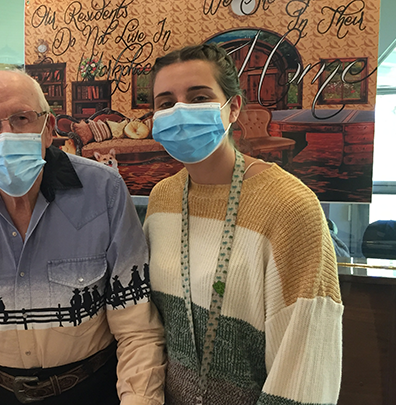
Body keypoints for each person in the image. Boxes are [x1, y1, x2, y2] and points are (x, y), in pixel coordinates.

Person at [0, 70, 166, 405]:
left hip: (91, 390)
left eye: (22, 118)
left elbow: (136, 327)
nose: (7, 133)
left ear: (48, 129)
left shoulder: (105, 192)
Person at [143, 44, 343, 404]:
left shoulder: (289, 206)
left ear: (233, 107)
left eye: (199, 97)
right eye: (166, 103)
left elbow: (306, 360)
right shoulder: (162, 199)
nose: (180, 111)